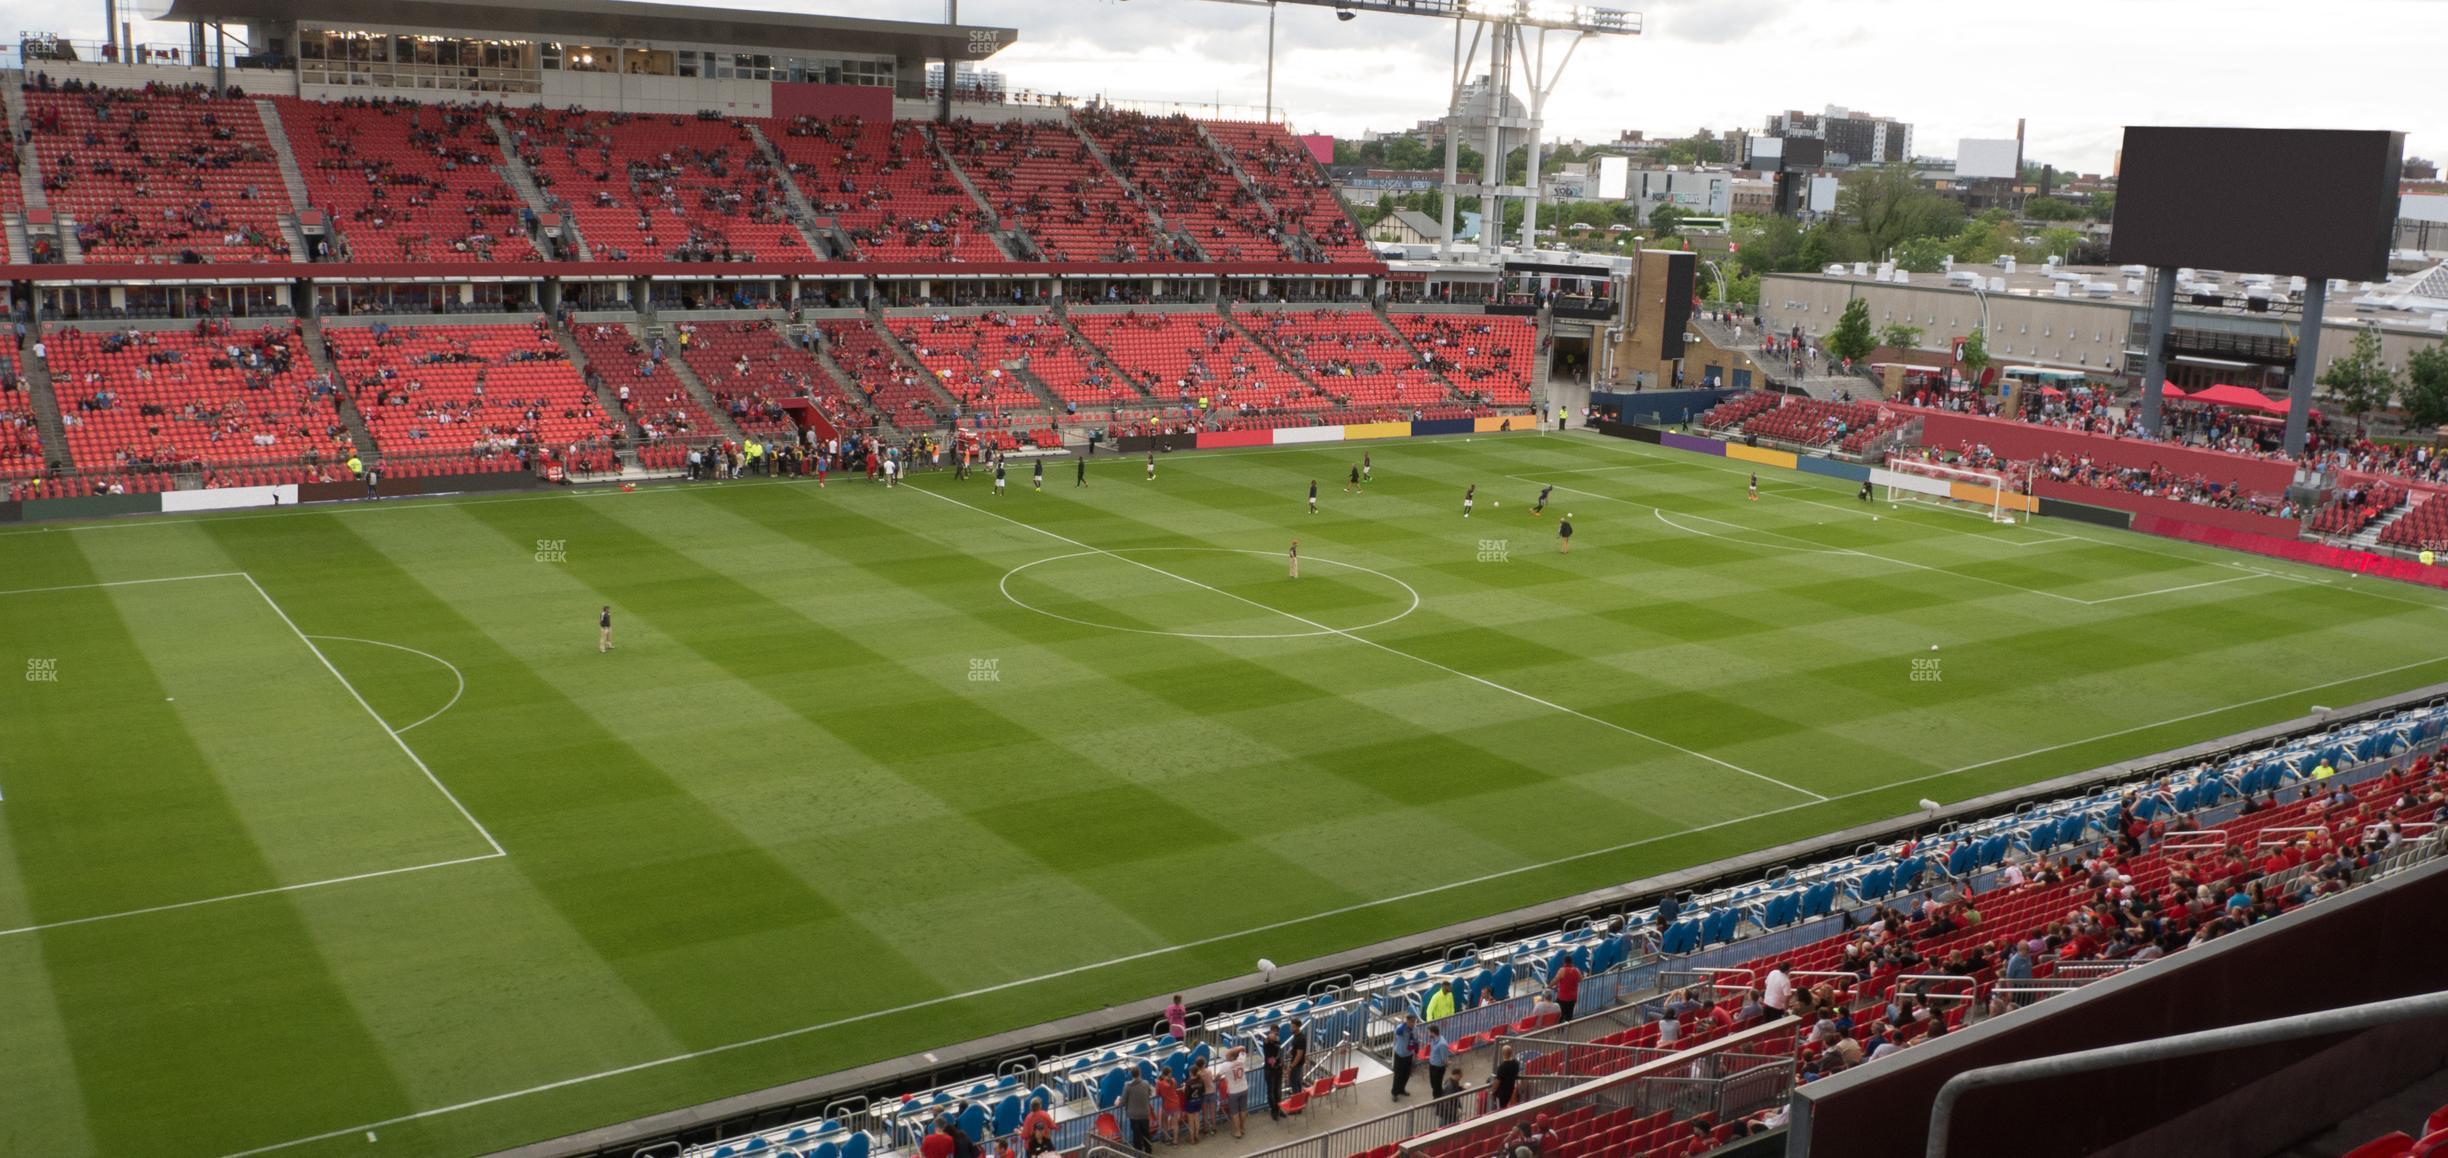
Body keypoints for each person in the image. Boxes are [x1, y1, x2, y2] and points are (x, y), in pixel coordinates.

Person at [1215, 1046, 1248, 1139]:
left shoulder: (1225, 1066)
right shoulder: (1241, 1060)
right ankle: (1242, 1127)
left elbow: (1218, 1076)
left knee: (1235, 1112)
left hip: (1233, 1091)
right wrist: (1235, 1050)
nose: (1226, 1057)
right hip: (1244, 1088)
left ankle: (1237, 1131)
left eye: (1227, 1056)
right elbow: (1243, 1049)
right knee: (1243, 1110)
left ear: (1232, 1057)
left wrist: (1214, 1080)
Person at [1122, 1069, 1155, 1151]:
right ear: (1139, 1073)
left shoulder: (1127, 1086)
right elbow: (1151, 1093)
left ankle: (1138, 1153)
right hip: (1144, 1113)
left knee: (1136, 1136)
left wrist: (1118, 1102)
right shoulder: (1146, 1083)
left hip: (1134, 1115)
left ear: (1131, 1075)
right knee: (1146, 1133)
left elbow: (1123, 1100)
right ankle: (1148, 1151)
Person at [1260, 1024, 1286, 1121]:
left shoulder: (1278, 1040)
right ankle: (1273, 1110)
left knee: (1278, 1091)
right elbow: (1268, 1039)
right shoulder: (1267, 1041)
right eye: (1274, 1031)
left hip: (1278, 1069)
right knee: (1271, 1092)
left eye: (1277, 1032)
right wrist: (1271, 1036)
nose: (1276, 1034)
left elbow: (1279, 1052)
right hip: (1270, 1070)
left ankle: (1278, 1109)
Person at [1391, 1013, 1419, 1100]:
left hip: (1409, 1054)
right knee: (1398, 1075)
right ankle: (1395, 1093)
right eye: (1411, 1022)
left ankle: (1402, 1089)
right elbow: (1398, 1032)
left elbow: (1416, 1040)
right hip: (1400, 1054)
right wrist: (1404, 1025)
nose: (1413, 1024)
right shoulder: (1401, 1028)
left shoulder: (1415, 1029)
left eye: (1414, 1022)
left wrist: (1416, 1051)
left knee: (1406, 1074)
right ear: (1407, 1021)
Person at [1491, 1043, 1522, 1108]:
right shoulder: (1516, 1063)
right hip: (1511, 1089)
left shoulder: (1502, 1067)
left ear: (1503, 1054)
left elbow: (1497, 1081)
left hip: (1502, 1093)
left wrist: (1492, 1091)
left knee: (1500, 1108)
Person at [1426, 1024, 1451, 1100]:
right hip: (1432, 1065)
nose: (1428, 1034)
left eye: (1429, 1032)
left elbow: (1444, 1058)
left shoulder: (1442, 1044)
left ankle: (1437, 1099)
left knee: (1437, 1084)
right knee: (1433, 1083)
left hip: (1438, 1068)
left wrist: (1446, 1064)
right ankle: (1437, 1096)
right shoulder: (1433, 1040)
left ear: (1433, 1033)